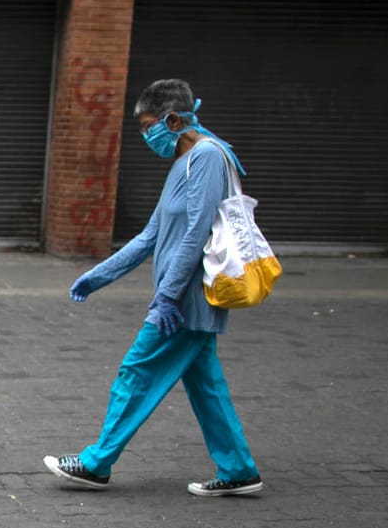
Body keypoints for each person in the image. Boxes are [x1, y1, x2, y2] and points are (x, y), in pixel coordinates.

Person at [43, 78, 263, 497]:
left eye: (149, 126)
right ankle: (238, 469)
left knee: (137, 372)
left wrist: (165, 297)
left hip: (185, 301)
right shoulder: (183, 162)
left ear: (173, 119)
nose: (146, 135)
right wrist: (98, 276)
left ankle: (96, 463)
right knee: (206, 387)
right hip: (181, 300)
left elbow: (196, 232)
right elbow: (151, 235)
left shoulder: (208, 158)